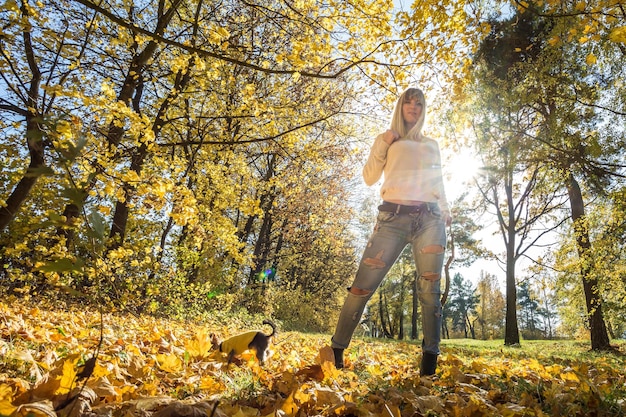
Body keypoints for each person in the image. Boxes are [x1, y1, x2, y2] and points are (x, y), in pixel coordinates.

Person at [330, 87, 452, 376]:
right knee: (362, 287)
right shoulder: (387, 139)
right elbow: (369, 178)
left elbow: (438, 181)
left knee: (429, 290)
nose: (413, 107)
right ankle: (337, 350)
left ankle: (429, 363)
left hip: (430, 220)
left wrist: (446, 209)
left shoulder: (431, 144)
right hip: (392, 219)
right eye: (408, 102)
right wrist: (385, 143)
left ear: (423, 109)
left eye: (419, 103)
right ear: (401, 107)